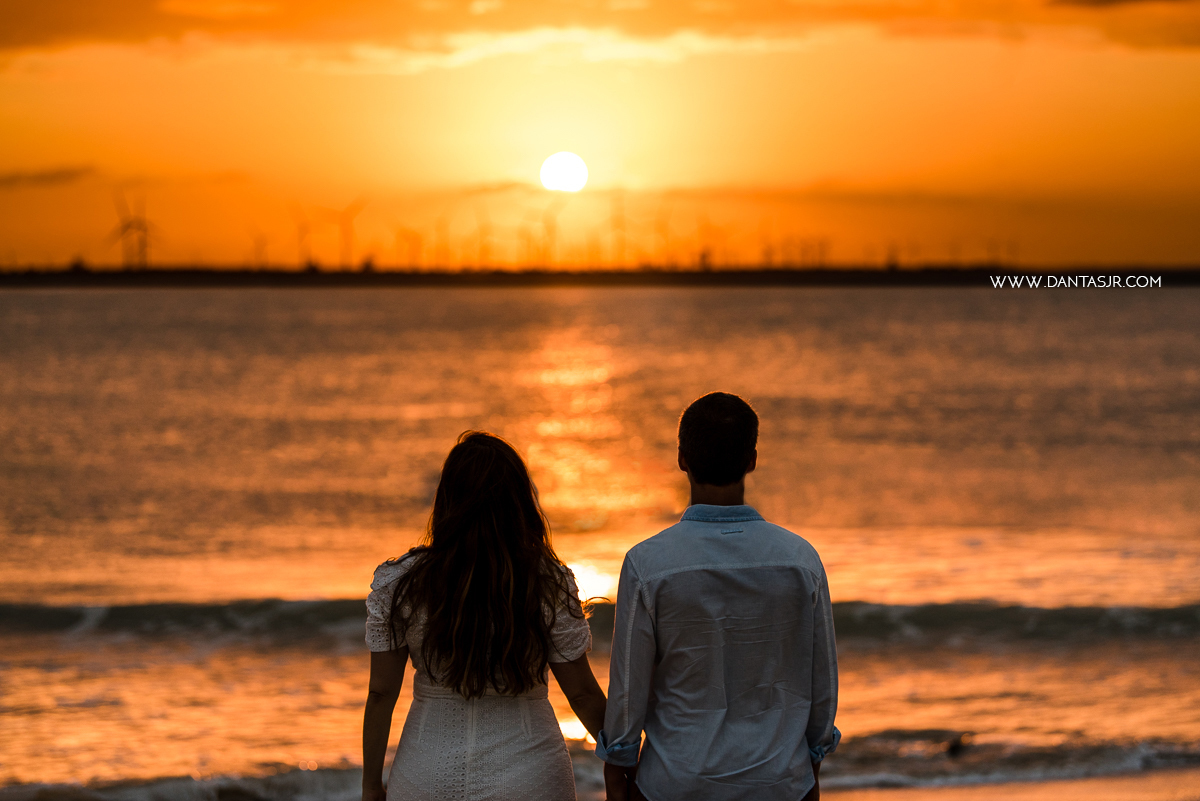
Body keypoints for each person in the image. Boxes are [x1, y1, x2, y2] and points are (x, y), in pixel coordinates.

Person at [597, 392, 840, 801]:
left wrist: (618, 768)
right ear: (752, 459)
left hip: (676, 783)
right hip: (779, 782)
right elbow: (823, 687)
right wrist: (810, 760)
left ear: (681, 458)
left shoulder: (648, 564)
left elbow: (628, 693)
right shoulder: (801, 561)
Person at [361, 431, 607, 801]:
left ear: (446, 501)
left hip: (426, 774)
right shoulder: (545, 582)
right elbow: (584, 694)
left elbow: (382, 693)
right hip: (531, 777)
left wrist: (370, 787)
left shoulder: (402, 584)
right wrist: (628, 762)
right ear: (520, 503)